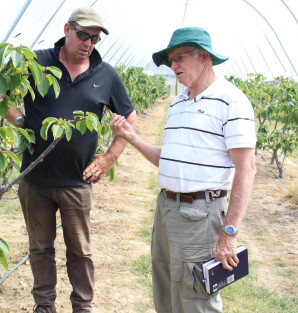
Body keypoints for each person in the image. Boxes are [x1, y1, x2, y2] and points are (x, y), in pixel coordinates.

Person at [0, 6, 137, 313]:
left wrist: (110, 157)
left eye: (95, 39)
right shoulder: (36, 62)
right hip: (35, 179)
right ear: (67, 30)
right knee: (40, 248)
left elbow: (128, 116)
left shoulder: (106, 75)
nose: (88, 43)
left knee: (80, 251)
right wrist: (20, 122)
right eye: (83, 35)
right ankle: (44, 306)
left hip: (77, 181)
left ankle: (82, 307)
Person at [110, 27, 256, 313]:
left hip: (200, 214)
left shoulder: (231, 100)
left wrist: (229, 232)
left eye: (179, 58)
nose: (173, 66)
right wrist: (131, 137)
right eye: (170, 60)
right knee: (165, 288)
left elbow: (246, 168)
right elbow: (170, 160)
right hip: (166, 209)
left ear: (204, 57)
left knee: (196, 297)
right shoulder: (177, 104)